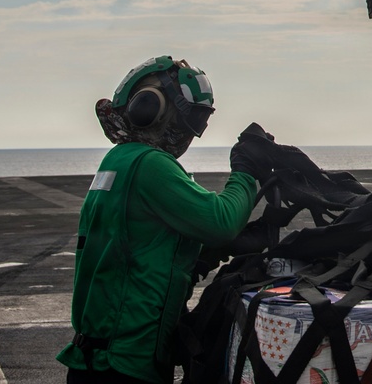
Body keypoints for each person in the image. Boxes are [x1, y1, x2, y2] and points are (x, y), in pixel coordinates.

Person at [57, 55, 272, 384]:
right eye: (192, 117)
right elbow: (221, 221)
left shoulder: (118, 161)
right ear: (150, 106)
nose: (191, 132)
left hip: (97, 361)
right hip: (124, 366)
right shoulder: (149, 165)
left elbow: (138, 244)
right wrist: (245, 170)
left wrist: (199, 255)